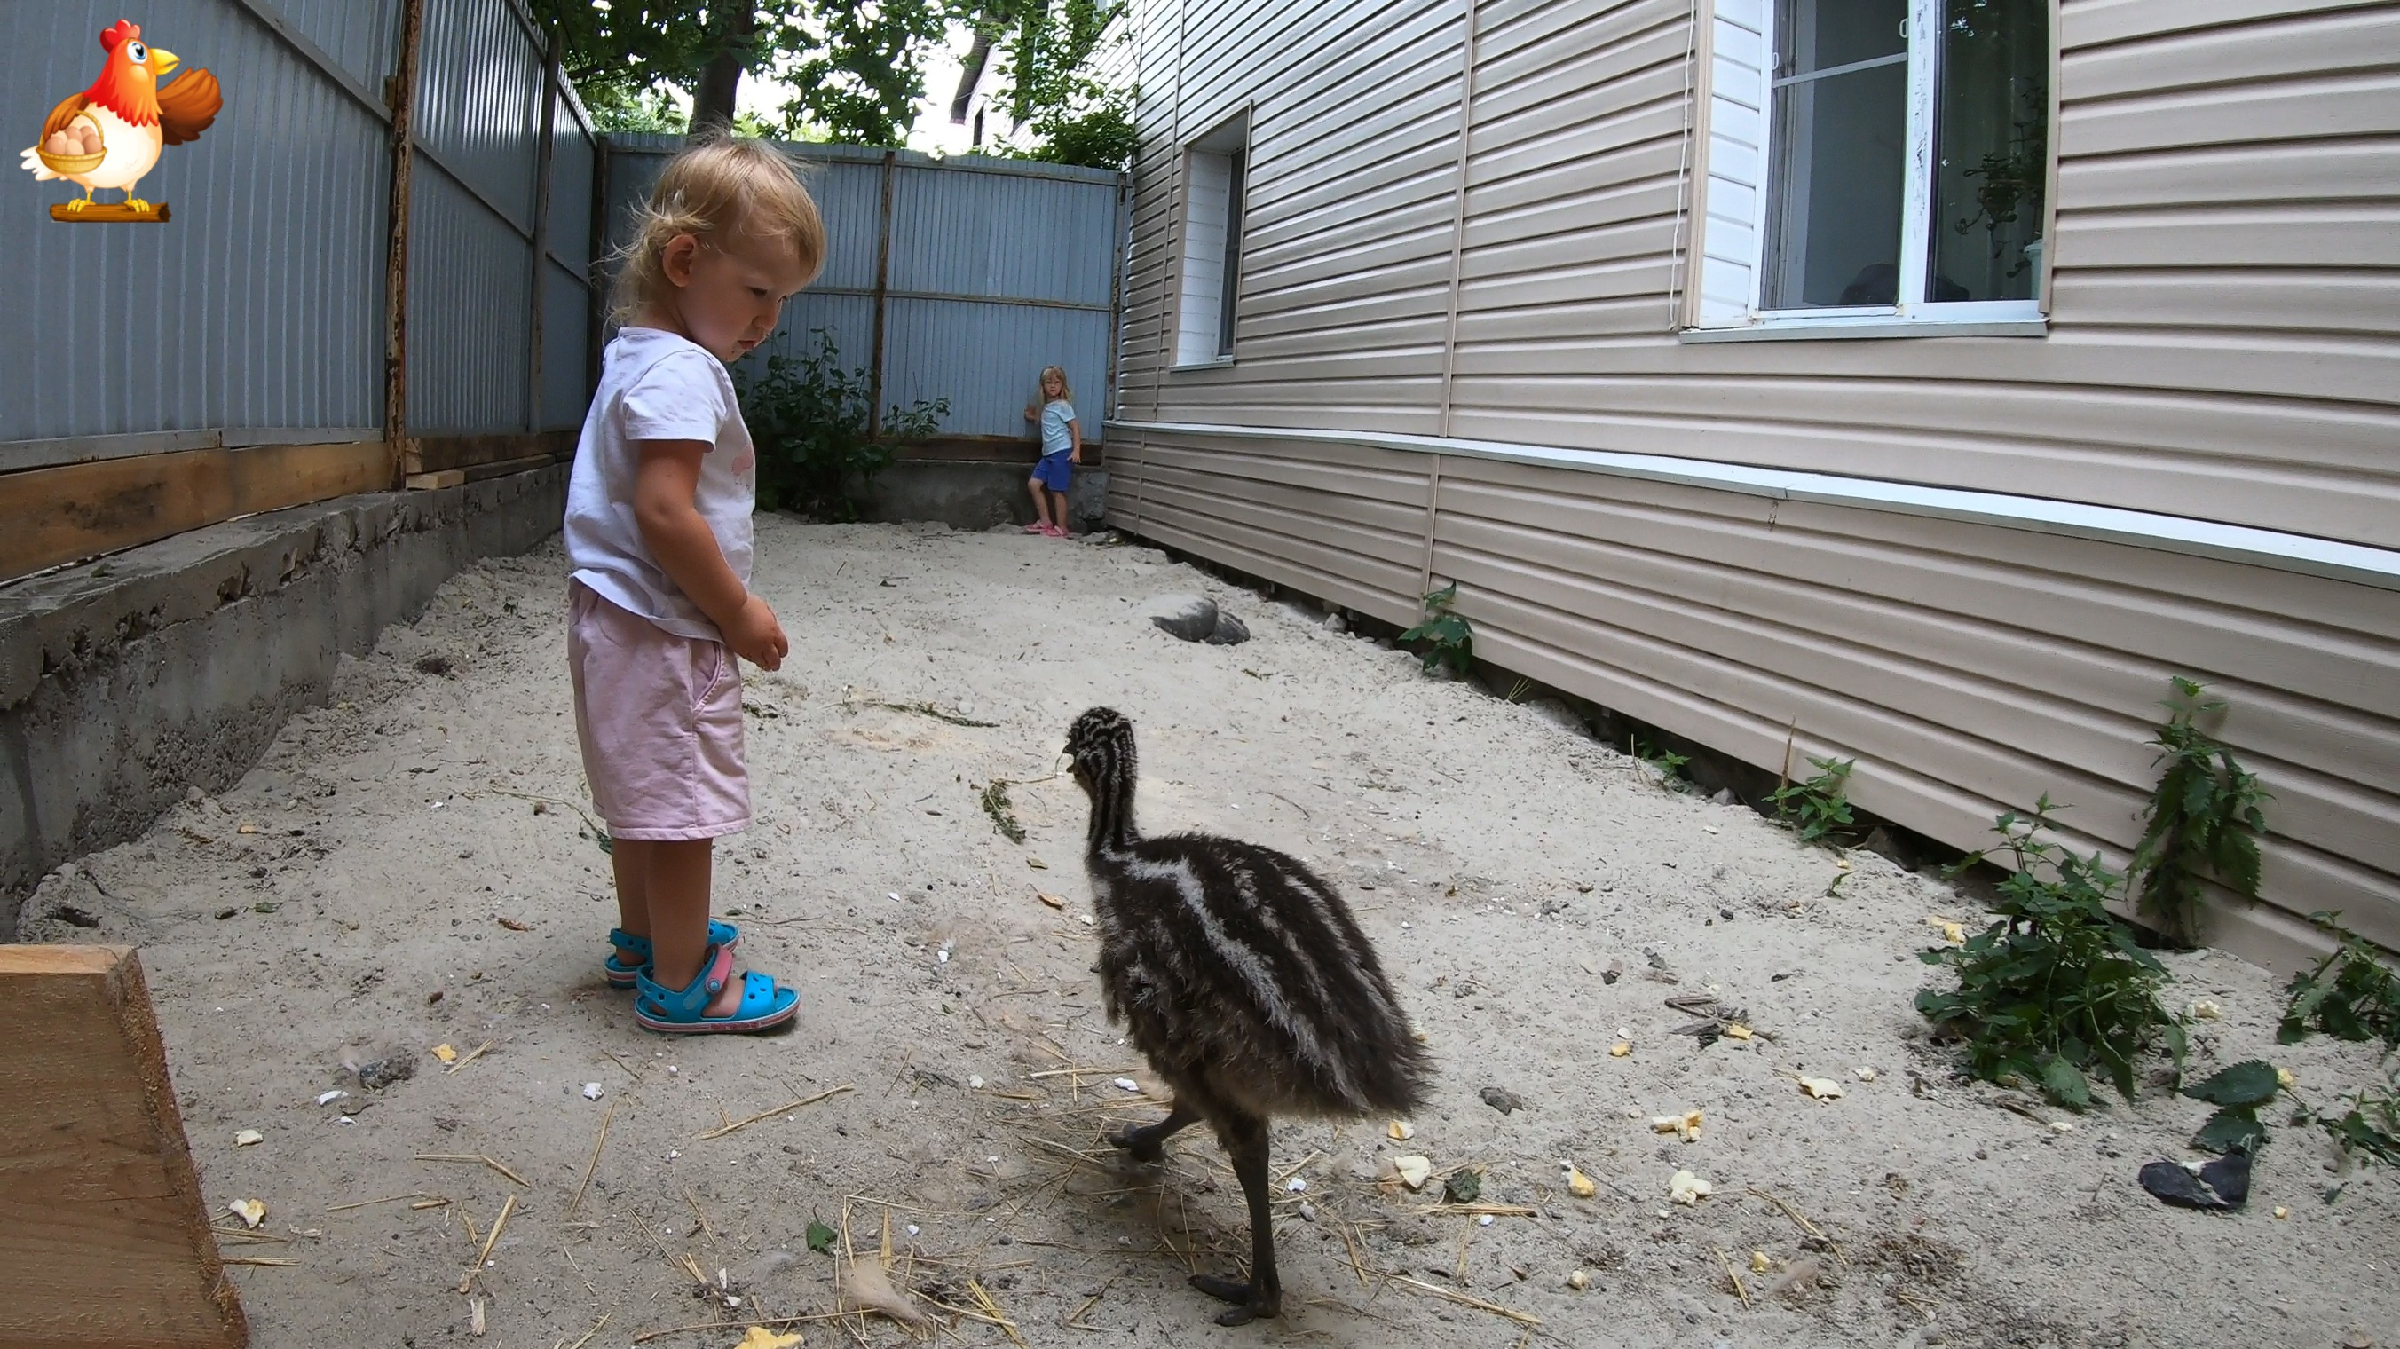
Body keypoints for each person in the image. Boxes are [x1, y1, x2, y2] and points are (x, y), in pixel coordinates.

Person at [563, 134, 823, 1034]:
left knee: (641, 791)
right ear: (684, 261)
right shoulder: (681, 371)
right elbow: (667, 514)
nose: (768, 321)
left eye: (780, 300)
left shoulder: (634, 354)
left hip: (613, 615)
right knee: (681, 809)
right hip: (666, 626)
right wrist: (739, 610)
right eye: (758, 292)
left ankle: (645, 937)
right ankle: (683, 983)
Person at [1021, 365, 1081, 538]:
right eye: (1049, 382)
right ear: (1043, 386)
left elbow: (1075, 427)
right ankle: (1045, 521)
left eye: (1057, 382)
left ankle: (1062, 527)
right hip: (1047, 455)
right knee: (1034, 484)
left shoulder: (1063, 405)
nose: (1053, 386)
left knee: (1057, 490)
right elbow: (1047, 423)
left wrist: (1076, 450)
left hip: (1062, 453)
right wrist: (1032, 417)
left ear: (1062, 385)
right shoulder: (1047, 407)